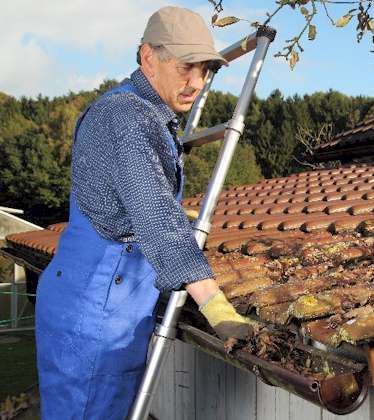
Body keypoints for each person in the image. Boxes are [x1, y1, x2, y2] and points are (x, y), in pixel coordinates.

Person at [34, 6, 253, 419]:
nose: (197, 83)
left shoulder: (140, 110)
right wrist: (216, 307)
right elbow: (154, 212)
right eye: (186, 67)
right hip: (96, 317)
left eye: (205, 70)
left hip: (92, 303)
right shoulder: (127, 117)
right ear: (148, 57)